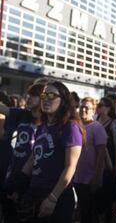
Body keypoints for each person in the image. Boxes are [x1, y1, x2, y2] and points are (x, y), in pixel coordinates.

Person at [21, 81, 84, 222]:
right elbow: (33, 157)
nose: (46, 99)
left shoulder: (70, 127)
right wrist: (19, 181)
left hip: (57, 196)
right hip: (36, 192)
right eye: (44, 96)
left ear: (63, 100)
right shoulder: (43, 125)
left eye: (52, 95)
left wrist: (52, 198)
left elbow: (70, 166)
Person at [0, 83, 45, 222]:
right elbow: (4, 109)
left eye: (34, 95)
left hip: (32, 180)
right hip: (12, 175)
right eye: (28, 95)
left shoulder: (48, 122)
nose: (29, 98)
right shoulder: (22, 114)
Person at [73, 97, 107, 223]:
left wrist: (96, 178)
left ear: (93, 111)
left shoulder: (97, 128)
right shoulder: (76, 126)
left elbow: (101, 155)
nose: (83, 109)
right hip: (76, 178)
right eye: (81, 106)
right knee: (80, 212)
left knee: (90, 214)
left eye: (87, 107)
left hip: (90, 180)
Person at [95, 96, 116, 222]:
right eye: (98, 104)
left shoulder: (113, 123)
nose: (99, 106)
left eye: (102, 104)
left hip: (107, 164)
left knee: (106, 194)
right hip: (94, 162)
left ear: (109, 108)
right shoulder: (95, 120)